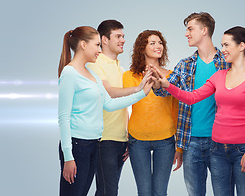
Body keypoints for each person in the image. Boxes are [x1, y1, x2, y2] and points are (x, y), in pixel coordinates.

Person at [152, 26, 245, 196]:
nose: (223, 50)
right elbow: (192, 97)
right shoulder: (219, 76)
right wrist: (167, 85)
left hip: (243, 150)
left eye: (227, 45)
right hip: (218, 151)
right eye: (222, 45)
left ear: (241, 46)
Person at [58, 26, 153, 196]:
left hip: (94, 143)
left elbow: (108, 104)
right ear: (83, 45)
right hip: (77, 146)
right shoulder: (69, 73)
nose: (99, 50)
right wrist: (68, 156)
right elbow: (64, 117)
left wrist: (141, 92)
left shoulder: (92, 74)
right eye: (96, 45)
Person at [153, 12, 230, 196]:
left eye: (190, 29)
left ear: (204, 30)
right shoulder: (185, 64)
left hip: (220, 142)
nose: (186, 33)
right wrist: (157, 81)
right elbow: (164, 90)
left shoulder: (227, 63)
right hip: (190, 142)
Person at [87, 20, 146, 196]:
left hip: (120, 140)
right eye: (118, 36)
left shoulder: (120, 69)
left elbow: (124, 105)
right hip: (103, 140)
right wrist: (138, 88)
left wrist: (127, 135)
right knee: (108, 191)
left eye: (123, 36)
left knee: (108, 190)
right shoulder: (94, 65)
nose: (122, 40)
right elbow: (109, 93)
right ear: (104, 40)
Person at [122, 30, 179, 196]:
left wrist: (179, 146)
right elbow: (124, 104)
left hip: (166, 140)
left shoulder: (171, 75)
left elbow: (176, 108)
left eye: (160, 42)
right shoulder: (129, 76)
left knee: (160, 192)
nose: (158, 46)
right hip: (137, 140)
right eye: (152, 43)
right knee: (144, 192)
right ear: (142, 48)